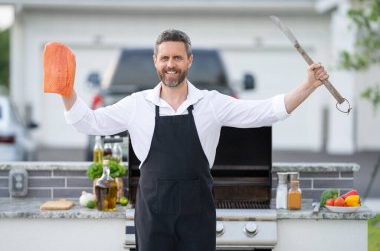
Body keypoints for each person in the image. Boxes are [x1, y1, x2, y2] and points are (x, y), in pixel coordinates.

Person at [45, 29, 328, 251]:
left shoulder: (212, 103)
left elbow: (268, 111)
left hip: (197, 213)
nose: (171, 64)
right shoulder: (136, 105)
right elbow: (88, 122)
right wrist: (66, 91)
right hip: (152, 214)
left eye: (177, 57)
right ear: (155, 61)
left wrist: (308, 86)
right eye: (165, 58)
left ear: (189, 60)